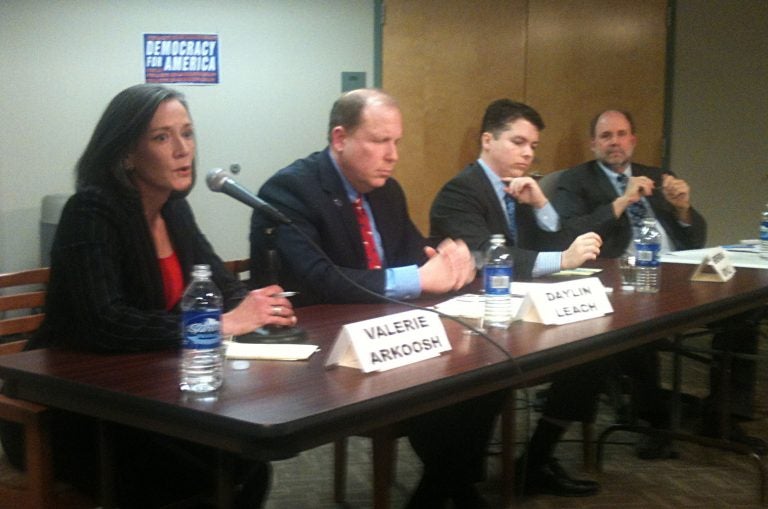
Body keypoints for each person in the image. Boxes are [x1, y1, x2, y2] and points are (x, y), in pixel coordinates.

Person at [0, 84, 296, 508]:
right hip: (68, 408)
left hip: (143, 394)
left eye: (188, 133)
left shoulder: (174, 209)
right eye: (162, 137)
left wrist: (256, 303)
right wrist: (222, 322)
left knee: (247, 463)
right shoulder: (91, 212)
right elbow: (105, 322)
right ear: (125, 154)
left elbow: (216, 280)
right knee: (201, 480)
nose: (183, 150)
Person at [250, 88, 494, 508]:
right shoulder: (289, 190)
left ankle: (439, 490)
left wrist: (449, 260)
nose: (393, 154)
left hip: (389, 331)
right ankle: (452, 488)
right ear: (340, 138)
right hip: (327, 351)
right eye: (381, 141)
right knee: (439, 392)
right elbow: (318, 280)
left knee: (488, 373)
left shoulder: (388, 191)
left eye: (396, 141)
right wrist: (419, 277)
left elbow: (415, 256)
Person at [552, 109, 765, 455]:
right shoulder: (576, 181)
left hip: (677, 270)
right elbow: (571, 233)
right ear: (593, 144)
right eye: (606, 136)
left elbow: (694, 239)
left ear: (633, 140)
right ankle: (655, 420)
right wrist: (622, 201)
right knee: (643, 321)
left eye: (622, 135)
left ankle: (724, 416)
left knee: (742, 314)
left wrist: (683, 209)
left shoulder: (658, 175)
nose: (615, 142)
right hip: (621, 274)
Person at [430, 99, 604, 498]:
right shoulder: (459, 192)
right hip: (475, 323)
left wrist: (542, 205)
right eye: (518, 142)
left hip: (525, 312)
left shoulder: (521, 191)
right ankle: (458, 484)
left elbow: (561, 248)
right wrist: (563, 257)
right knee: (492, 378)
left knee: (595, 353)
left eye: (533, 146)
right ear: (487, 140)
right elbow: (491, 260)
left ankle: (537, 458)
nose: (527, 153)